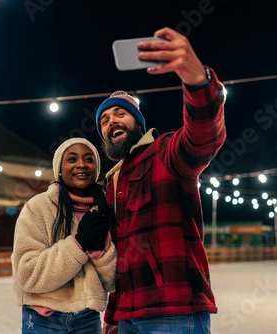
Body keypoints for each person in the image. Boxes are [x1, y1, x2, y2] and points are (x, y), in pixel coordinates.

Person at [96, 27, 226, 333]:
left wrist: (198, 81)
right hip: (127, 317)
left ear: (138, 123)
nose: (111, 121)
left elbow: (202, 138)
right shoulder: (112, 185)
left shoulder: (165, 153)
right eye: (104, 119)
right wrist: (113, 317)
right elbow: (119, 258)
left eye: (120, 114)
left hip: (174, 313)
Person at [12, 137, 117, 333]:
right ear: (59, 168)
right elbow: (27, 275)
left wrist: (100, 253)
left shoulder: (104, 211)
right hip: (44, 319)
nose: (81, 165)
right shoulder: (38, 208)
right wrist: (78, 244)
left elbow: (112, 282)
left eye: (88, 159)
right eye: (72, 159)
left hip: (88, 317)